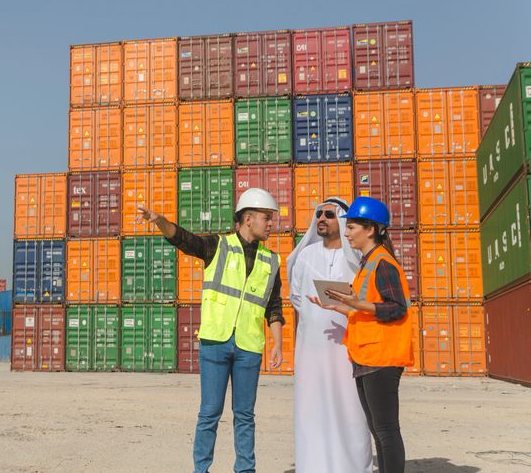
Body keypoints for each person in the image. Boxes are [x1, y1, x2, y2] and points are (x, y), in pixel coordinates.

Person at [138, 188, 285, 473]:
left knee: (245, 416)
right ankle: (201, 469)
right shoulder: (218, 246)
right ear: (248, 218)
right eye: (267, 218)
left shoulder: (272, 260)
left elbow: (274, 305)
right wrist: (159, 220)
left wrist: (277, 343)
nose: (271, 223)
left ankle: (246, 470)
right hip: (215, 343)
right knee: (209, 414)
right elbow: (184, 240)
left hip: (249, 346)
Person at [309, 196, 414, 473]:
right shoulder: (368, 264)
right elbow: (367, 311)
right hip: (366, 356)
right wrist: (339, 306)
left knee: (387, 430)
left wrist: (355, 303)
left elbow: (397, 308)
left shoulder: (383, 263)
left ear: (371, 229)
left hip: (381, 358)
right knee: (378, 431)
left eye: (352, 227)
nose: (346, 233)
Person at [286, 198, 373, 473]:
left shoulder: (358, 258)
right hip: (312, 350)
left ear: (345, 221)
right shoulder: (305, 256)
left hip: (348, 350)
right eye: (319, 214)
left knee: (352, 411)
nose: (321, 218)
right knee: (312, 411)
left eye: (329, 214)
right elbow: (297, 297)